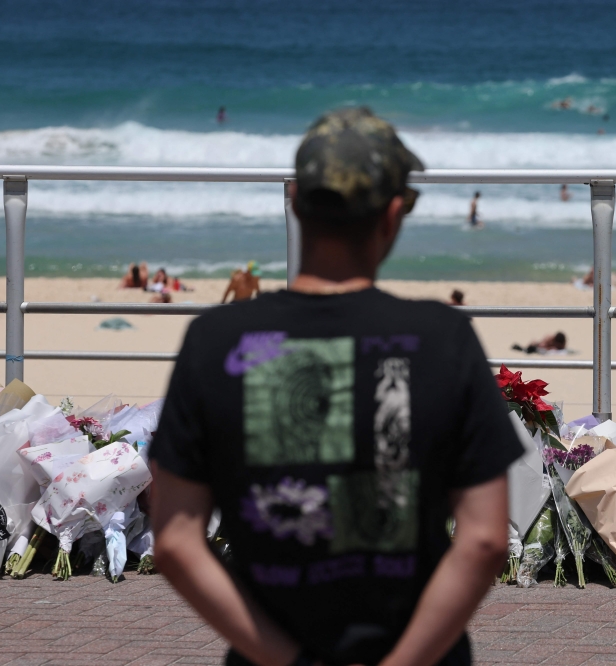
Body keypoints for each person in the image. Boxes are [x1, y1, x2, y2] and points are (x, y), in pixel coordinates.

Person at [149, 107, 521, 666]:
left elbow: (176, 541)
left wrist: (287, 659)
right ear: (393, 215)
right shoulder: (444, 340)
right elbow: (486, 539)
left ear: (295, 201)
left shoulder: (215, 340)